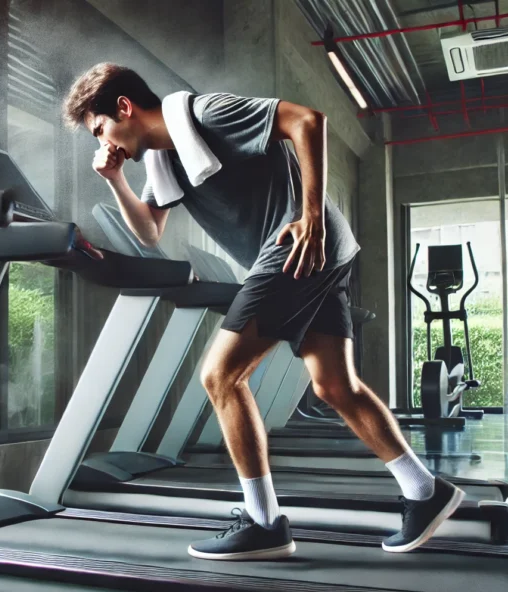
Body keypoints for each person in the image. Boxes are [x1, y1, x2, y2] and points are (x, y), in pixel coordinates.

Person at [61, 63, 464, 560]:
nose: (104, 142)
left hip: (296, 247)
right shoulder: (163, 161)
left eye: (99, 130)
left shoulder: (206, 114)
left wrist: (311, 216)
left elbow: (307, 121)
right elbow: (149, 232)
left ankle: (264, 521)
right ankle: (427, 492)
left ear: (123, 107)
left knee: (220, 376)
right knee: (334, 386)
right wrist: (115, 179)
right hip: (317, 255)